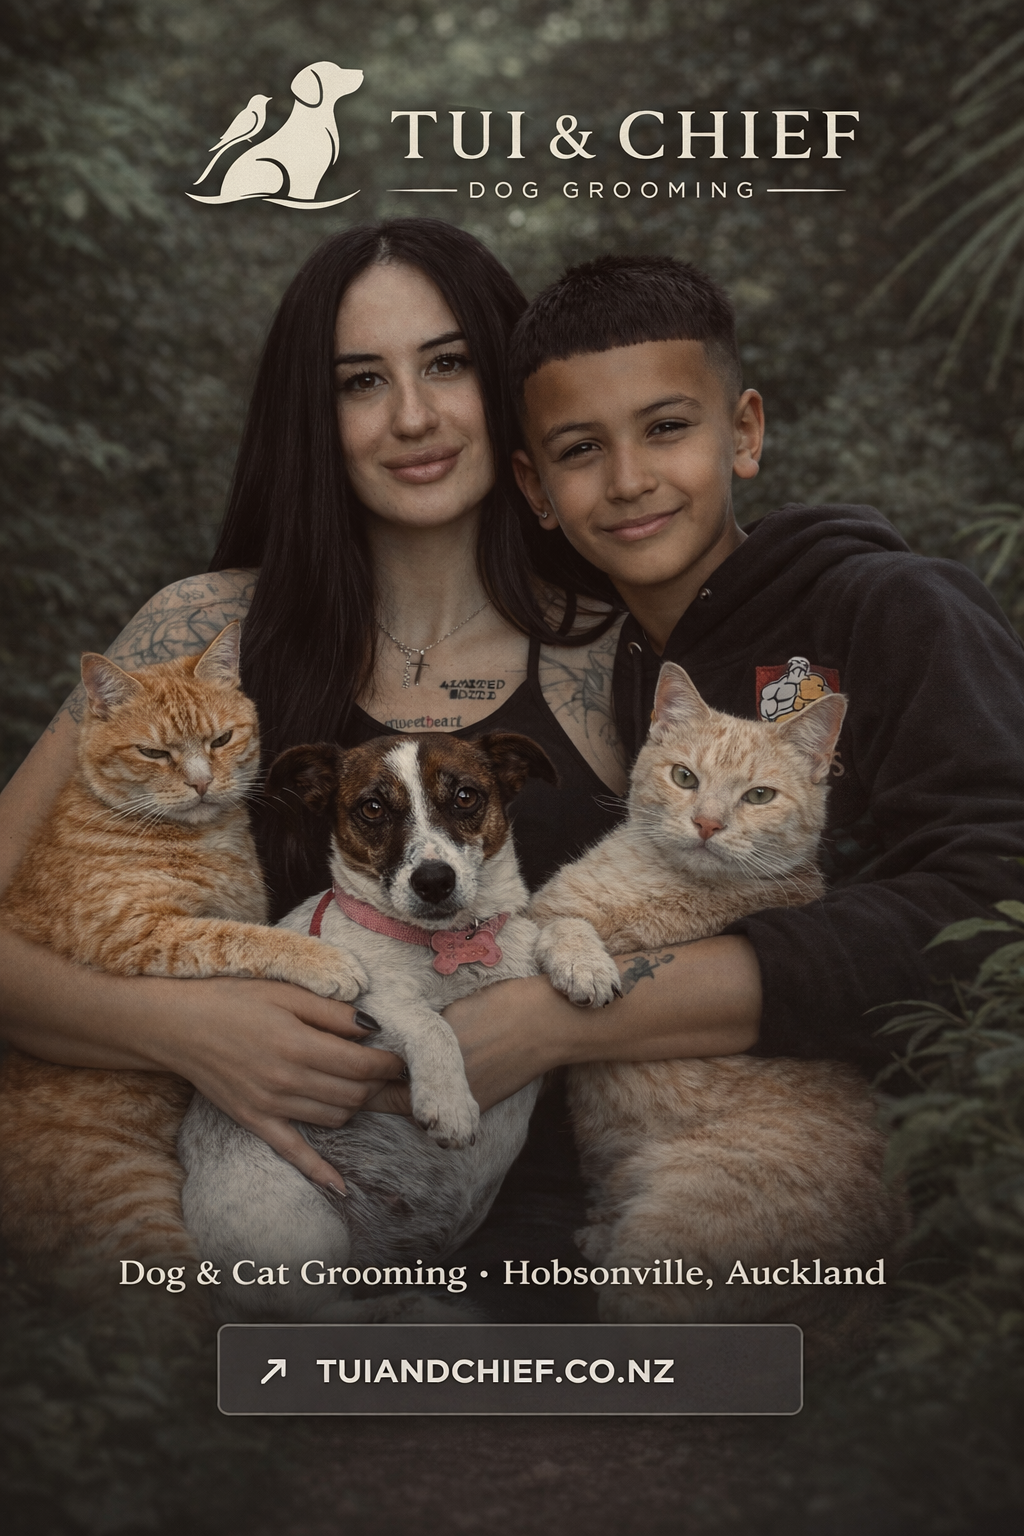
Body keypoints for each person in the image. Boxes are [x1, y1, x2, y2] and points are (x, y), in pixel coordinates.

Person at [0, 219, 630, 1200]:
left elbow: (755, 939)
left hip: (550, 1259)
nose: (412, 416)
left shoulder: (615, 643)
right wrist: (189, 1031)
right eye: (360, 381)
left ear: (512, 386)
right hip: (223, 1227)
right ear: (311, 414)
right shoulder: (199, 628)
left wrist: (545, 1020)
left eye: (449, 363)